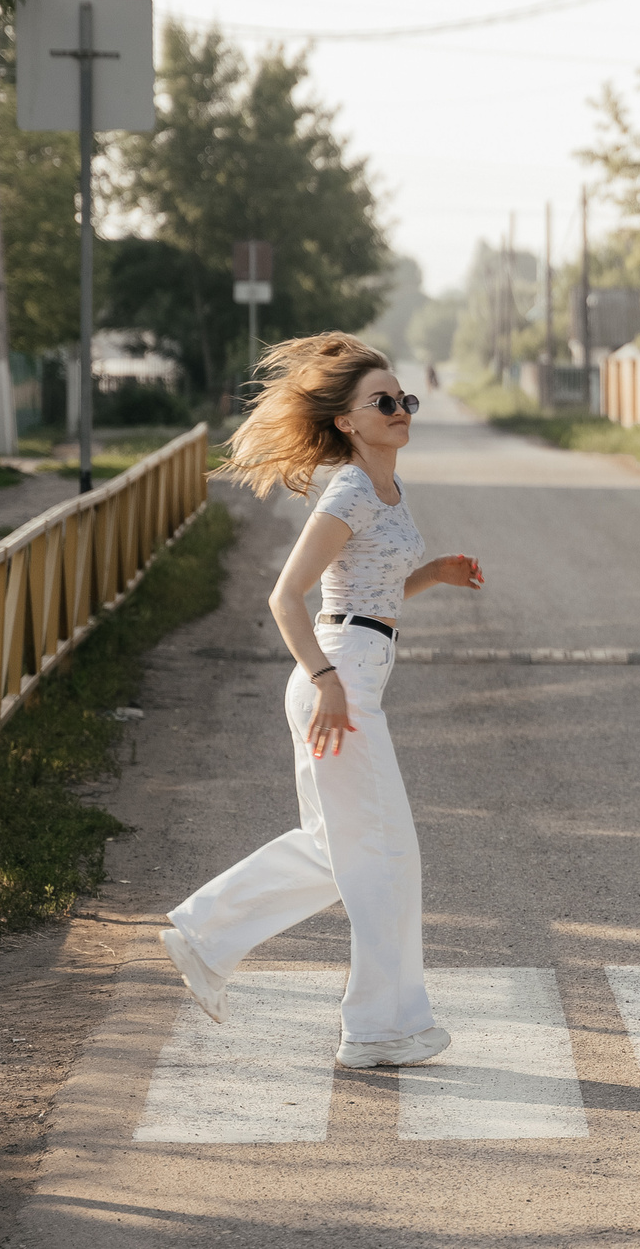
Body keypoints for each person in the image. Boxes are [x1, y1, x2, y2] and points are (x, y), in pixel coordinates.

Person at [158, 333, 485, 1068]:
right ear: (347, 419)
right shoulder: (348, 488)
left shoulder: (385, 489)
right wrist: (328, 683)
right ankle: (379, 1027)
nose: (401, 409)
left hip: (352, 670)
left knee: (338, 850)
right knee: (385, 857)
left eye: (406, 398)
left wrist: (434, 572)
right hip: (339, 682)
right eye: (383, 401)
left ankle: (203, 935)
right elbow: (286, 597)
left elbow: (368, 595)